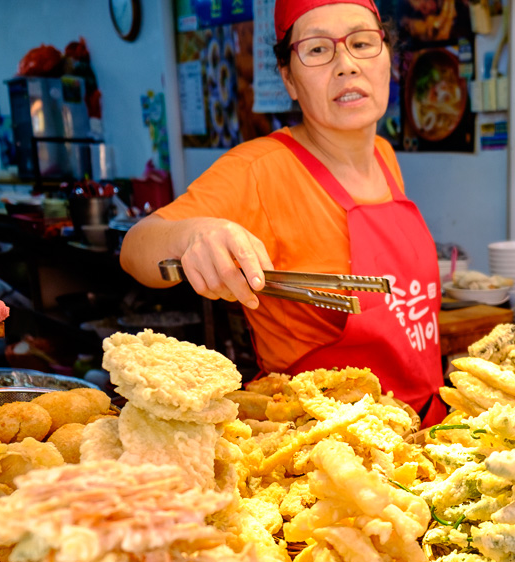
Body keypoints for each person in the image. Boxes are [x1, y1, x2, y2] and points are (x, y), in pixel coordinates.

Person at [120, 0, 444, 426]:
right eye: (317, 50)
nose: (346, 64)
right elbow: (135, 247)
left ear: (387, 58)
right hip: (322, 444)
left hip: (426, 429)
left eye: (362, 43)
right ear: (289, 79)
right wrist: (196, 234)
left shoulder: (384, 156)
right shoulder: (260, 169)